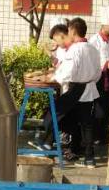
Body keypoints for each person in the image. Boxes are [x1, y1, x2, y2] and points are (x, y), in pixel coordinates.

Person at [38, 18, 101, 168]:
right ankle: (89, 158)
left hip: (76, 89)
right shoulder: (93, 49)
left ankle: (46, 142)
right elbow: (98, 73)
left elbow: (68, 71)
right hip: (90, 88)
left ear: (72, 31)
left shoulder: (75, 49)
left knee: (55, 112)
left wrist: (53, 78)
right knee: (86, 124)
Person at [89, 6, 109, 144]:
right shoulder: (94, 40)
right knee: (99, 107)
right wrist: (107, 64)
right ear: (103, 25)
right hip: (99, 78)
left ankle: (103, 135)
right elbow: (93, 58)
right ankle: (96, 135)